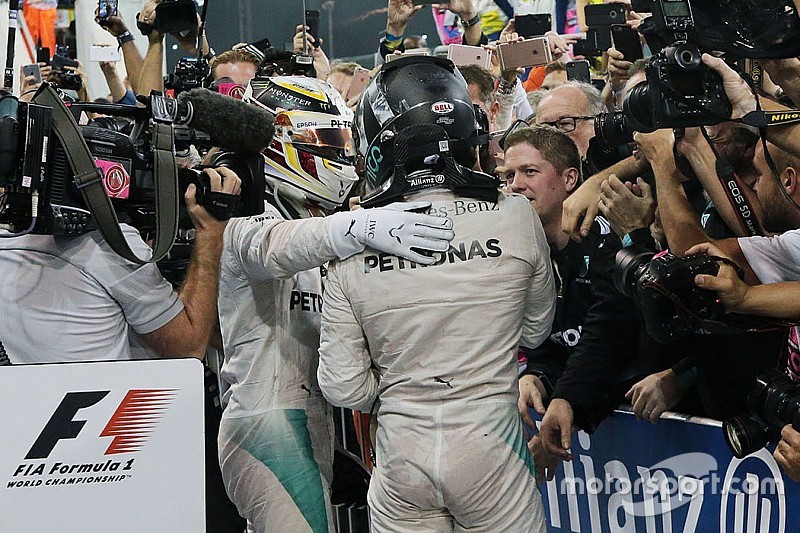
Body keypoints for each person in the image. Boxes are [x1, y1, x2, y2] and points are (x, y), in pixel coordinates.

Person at [317, 56, 555, 532]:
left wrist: (403, 388)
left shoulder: (352, 237)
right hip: (492, 446)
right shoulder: (514, 216)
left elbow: (343, 386)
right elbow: (534, 331)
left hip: (402, 454)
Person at [216, 75, 455, 533]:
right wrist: (358, 226)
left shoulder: (312, 217)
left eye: (344, 139)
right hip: (267, 419)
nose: (342, 153)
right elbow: (274, 246)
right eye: (326, 140)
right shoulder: (244, 212)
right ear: (283, 141)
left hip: (315, 417)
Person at [0, 165, 240, 364]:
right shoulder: (111, 244)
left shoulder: (10, 237)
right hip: (106, 419)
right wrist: (210, 231)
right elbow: (187, 348)